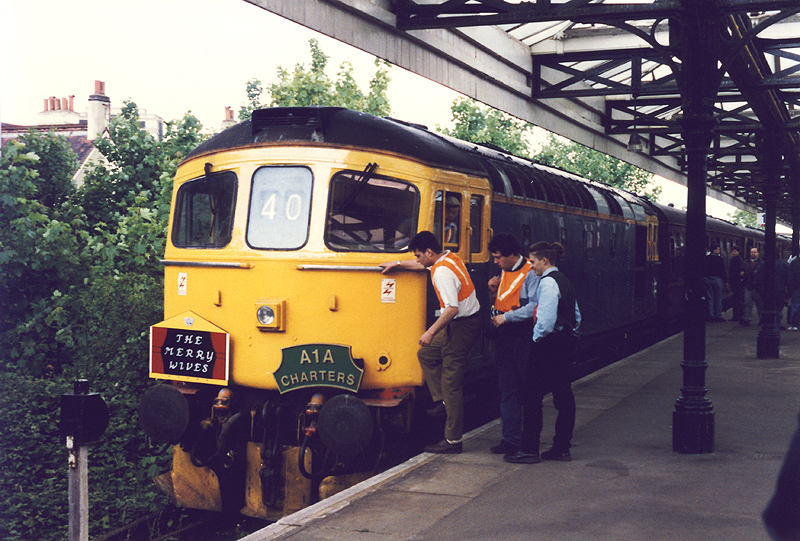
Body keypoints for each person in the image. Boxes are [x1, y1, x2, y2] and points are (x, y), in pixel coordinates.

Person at [380, 231, 481, 454]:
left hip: (461, 326)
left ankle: (453, 440)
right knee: (426, 354)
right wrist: (397, 264)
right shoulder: (448, 257)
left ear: (428, 252)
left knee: (451, 383)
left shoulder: (442, 272)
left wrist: (430, 332)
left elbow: (451, 309)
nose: (417, 260)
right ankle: (443, 402)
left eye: (418, 255)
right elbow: (421, 265)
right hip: (460, 323)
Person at [510, 241, 581, 464]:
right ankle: (562, 448)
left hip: (548, 344)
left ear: (544, 260)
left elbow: (546, 320)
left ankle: (530, 449)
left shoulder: (548, 283)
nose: (531, 266)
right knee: (564, 396)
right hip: (564, 342)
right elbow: (577, 316)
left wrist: (536, 339)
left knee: (532, 397)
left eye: (533, 262)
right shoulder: (564, 280)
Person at [486, 234, 538, 459]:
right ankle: (510, 440)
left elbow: (534, 306)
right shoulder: (505, 270)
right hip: (504, 336)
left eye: (498, 257)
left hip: (522, 335)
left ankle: (527, 443)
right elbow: (506, 299)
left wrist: (506, 318)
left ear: (512, 255)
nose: (495, 262)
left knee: (527, 390)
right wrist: (493, 292)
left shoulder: (530, 272)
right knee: (507, 390)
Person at [742, 247, 764, 326]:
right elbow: (742, 270)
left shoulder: (761, 263)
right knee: (747, 303)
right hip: (748, 285)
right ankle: (747, 318)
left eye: (755, 252)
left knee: (759, 304)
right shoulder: (746, 262)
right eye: (752, 252)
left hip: (757, 287)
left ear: (758, 253)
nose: (753, 254)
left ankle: (762, 319)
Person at [705, 244, 726, 322]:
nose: (719, 250)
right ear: (715, 250)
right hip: (717, 279)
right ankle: (718, 316)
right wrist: (725, 281)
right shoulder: (720, 259)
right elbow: (723, 270)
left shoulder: (706, 258)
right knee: (718, 298)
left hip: (709, 279)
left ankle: (711, 316)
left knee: (710, 298)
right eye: (718, 249)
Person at [729, 246, 745, 323]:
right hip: (736, 282)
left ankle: (737, 316)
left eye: (735, 251)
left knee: (736, 300)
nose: (733, 253)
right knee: (737, 300)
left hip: (736, 283)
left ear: (738, 252)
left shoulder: (737, 260)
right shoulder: (738, 260)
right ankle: (738, 315)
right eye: (733, 251)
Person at [788, 256, 800, 331]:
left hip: (796, 286)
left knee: (795, 305)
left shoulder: (794, 262)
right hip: (796, 286)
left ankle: (794, 324)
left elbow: (791, 276)